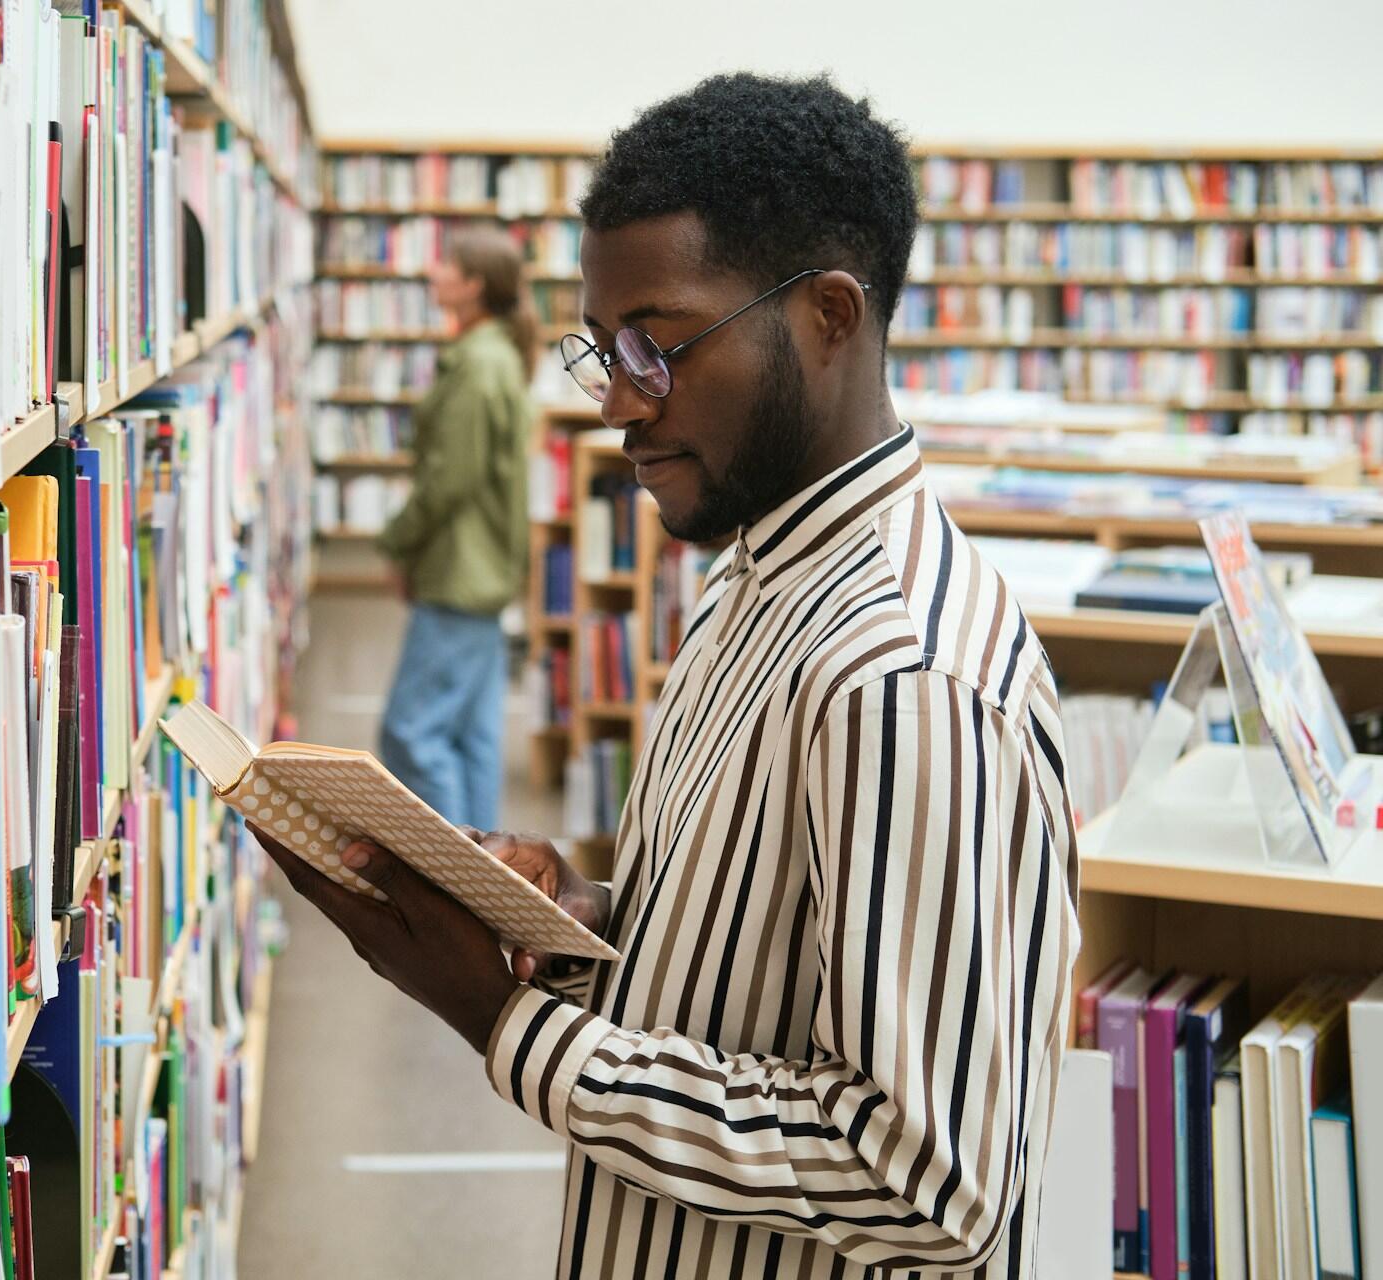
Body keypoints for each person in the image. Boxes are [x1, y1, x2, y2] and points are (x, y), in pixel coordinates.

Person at [258, 72, 1081, 1280]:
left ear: (831, 317)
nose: (619, 404)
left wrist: (510, 1023)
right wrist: (588, 920)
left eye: (659, 344)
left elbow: (924, 1180)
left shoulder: (902, 676)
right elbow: (767, 962)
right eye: (604, 350)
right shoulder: (753, 573)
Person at [373, 226, 534, 832]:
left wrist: (396, 543)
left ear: (473, 286)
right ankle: (485, 875)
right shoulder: (495, 357)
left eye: (447, 265)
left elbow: (450, 480)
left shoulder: (477, 366)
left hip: (459, 571)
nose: (434, 273)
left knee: (411, 732)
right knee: (470, 736)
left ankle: (453, 874)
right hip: (482, 570)